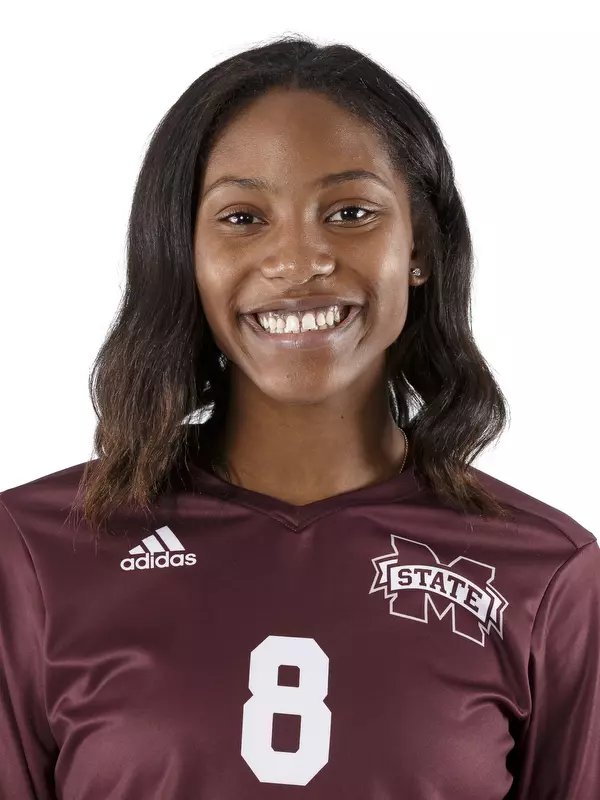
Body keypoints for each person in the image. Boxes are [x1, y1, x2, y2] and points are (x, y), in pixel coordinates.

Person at [1, 35, 598, 800]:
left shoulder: (546, 574)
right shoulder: (39, 554)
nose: (299, 259)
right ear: (183, 253)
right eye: (244, 217)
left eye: (350, 211)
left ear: (419, 246)